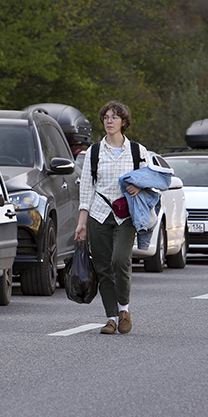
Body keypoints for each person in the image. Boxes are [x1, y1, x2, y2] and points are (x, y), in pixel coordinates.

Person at [74, 101, 149, 335]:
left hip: (125, 215)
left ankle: (124, 309)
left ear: (123, 122)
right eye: (106, 117)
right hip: (99, 215)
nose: (109, 121)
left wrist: (140, 187)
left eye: (114, 117)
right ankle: (111, 318)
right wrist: (82, 223)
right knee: (103, 267)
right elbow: (86, 188)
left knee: (120, 261)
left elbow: (152, 181)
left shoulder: (137, 151)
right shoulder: (94, 152)